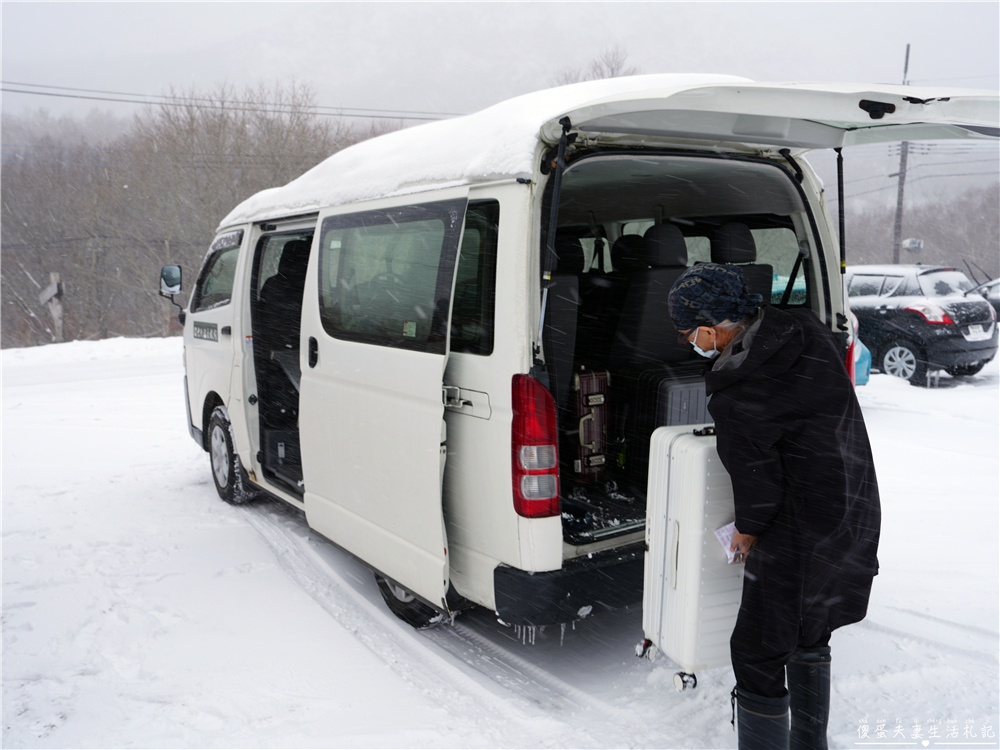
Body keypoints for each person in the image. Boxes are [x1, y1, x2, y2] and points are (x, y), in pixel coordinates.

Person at [668, 263, 881, 750]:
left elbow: (758, 480)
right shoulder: (804, 329)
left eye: (689, 334)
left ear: (711, 326)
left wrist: (747, 531)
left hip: (801, 525)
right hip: (853, 501)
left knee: (757, 650)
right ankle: (809, 742)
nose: (690, 343)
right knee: (810, 628)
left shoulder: (739, 388)